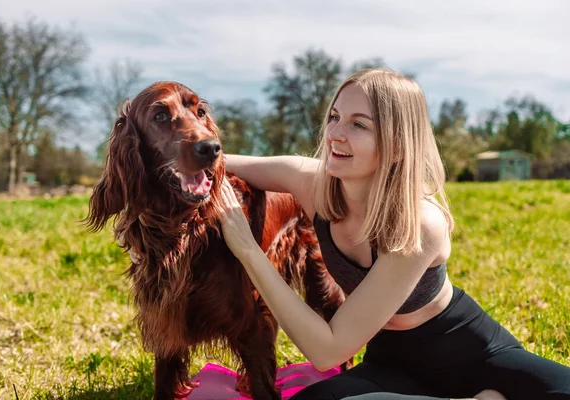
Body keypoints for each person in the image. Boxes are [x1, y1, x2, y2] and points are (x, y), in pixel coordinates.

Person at [216, 68, 570, 400]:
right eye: (334, 117)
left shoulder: (420, 223)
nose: (336, 133)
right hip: (391, 363)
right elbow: (214, 160)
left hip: (472, 356)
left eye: (359, 124)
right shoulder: (310, 182)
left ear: (398, 144)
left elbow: (328, 351)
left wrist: (248, 250)